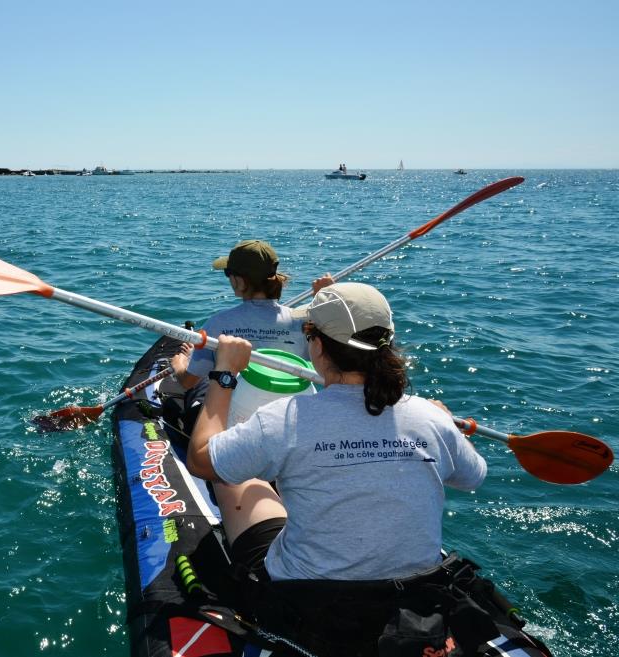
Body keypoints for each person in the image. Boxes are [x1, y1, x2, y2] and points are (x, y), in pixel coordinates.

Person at [185, 282, 488, 653]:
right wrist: (444, 420)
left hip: (310, 604)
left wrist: (224, 373)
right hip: (415, 602)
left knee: (241, 480)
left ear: (315, 344)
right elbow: (473, 476)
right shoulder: (429, 417)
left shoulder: (284, 419)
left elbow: (200, 460)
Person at [169, 239, 332, 393]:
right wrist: (326, 297)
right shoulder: (305, 323)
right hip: (286, 408)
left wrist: (181, 363)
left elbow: (188, 382)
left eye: (228, 273)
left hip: (233, 409)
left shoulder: (217, 324)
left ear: (239, 281)